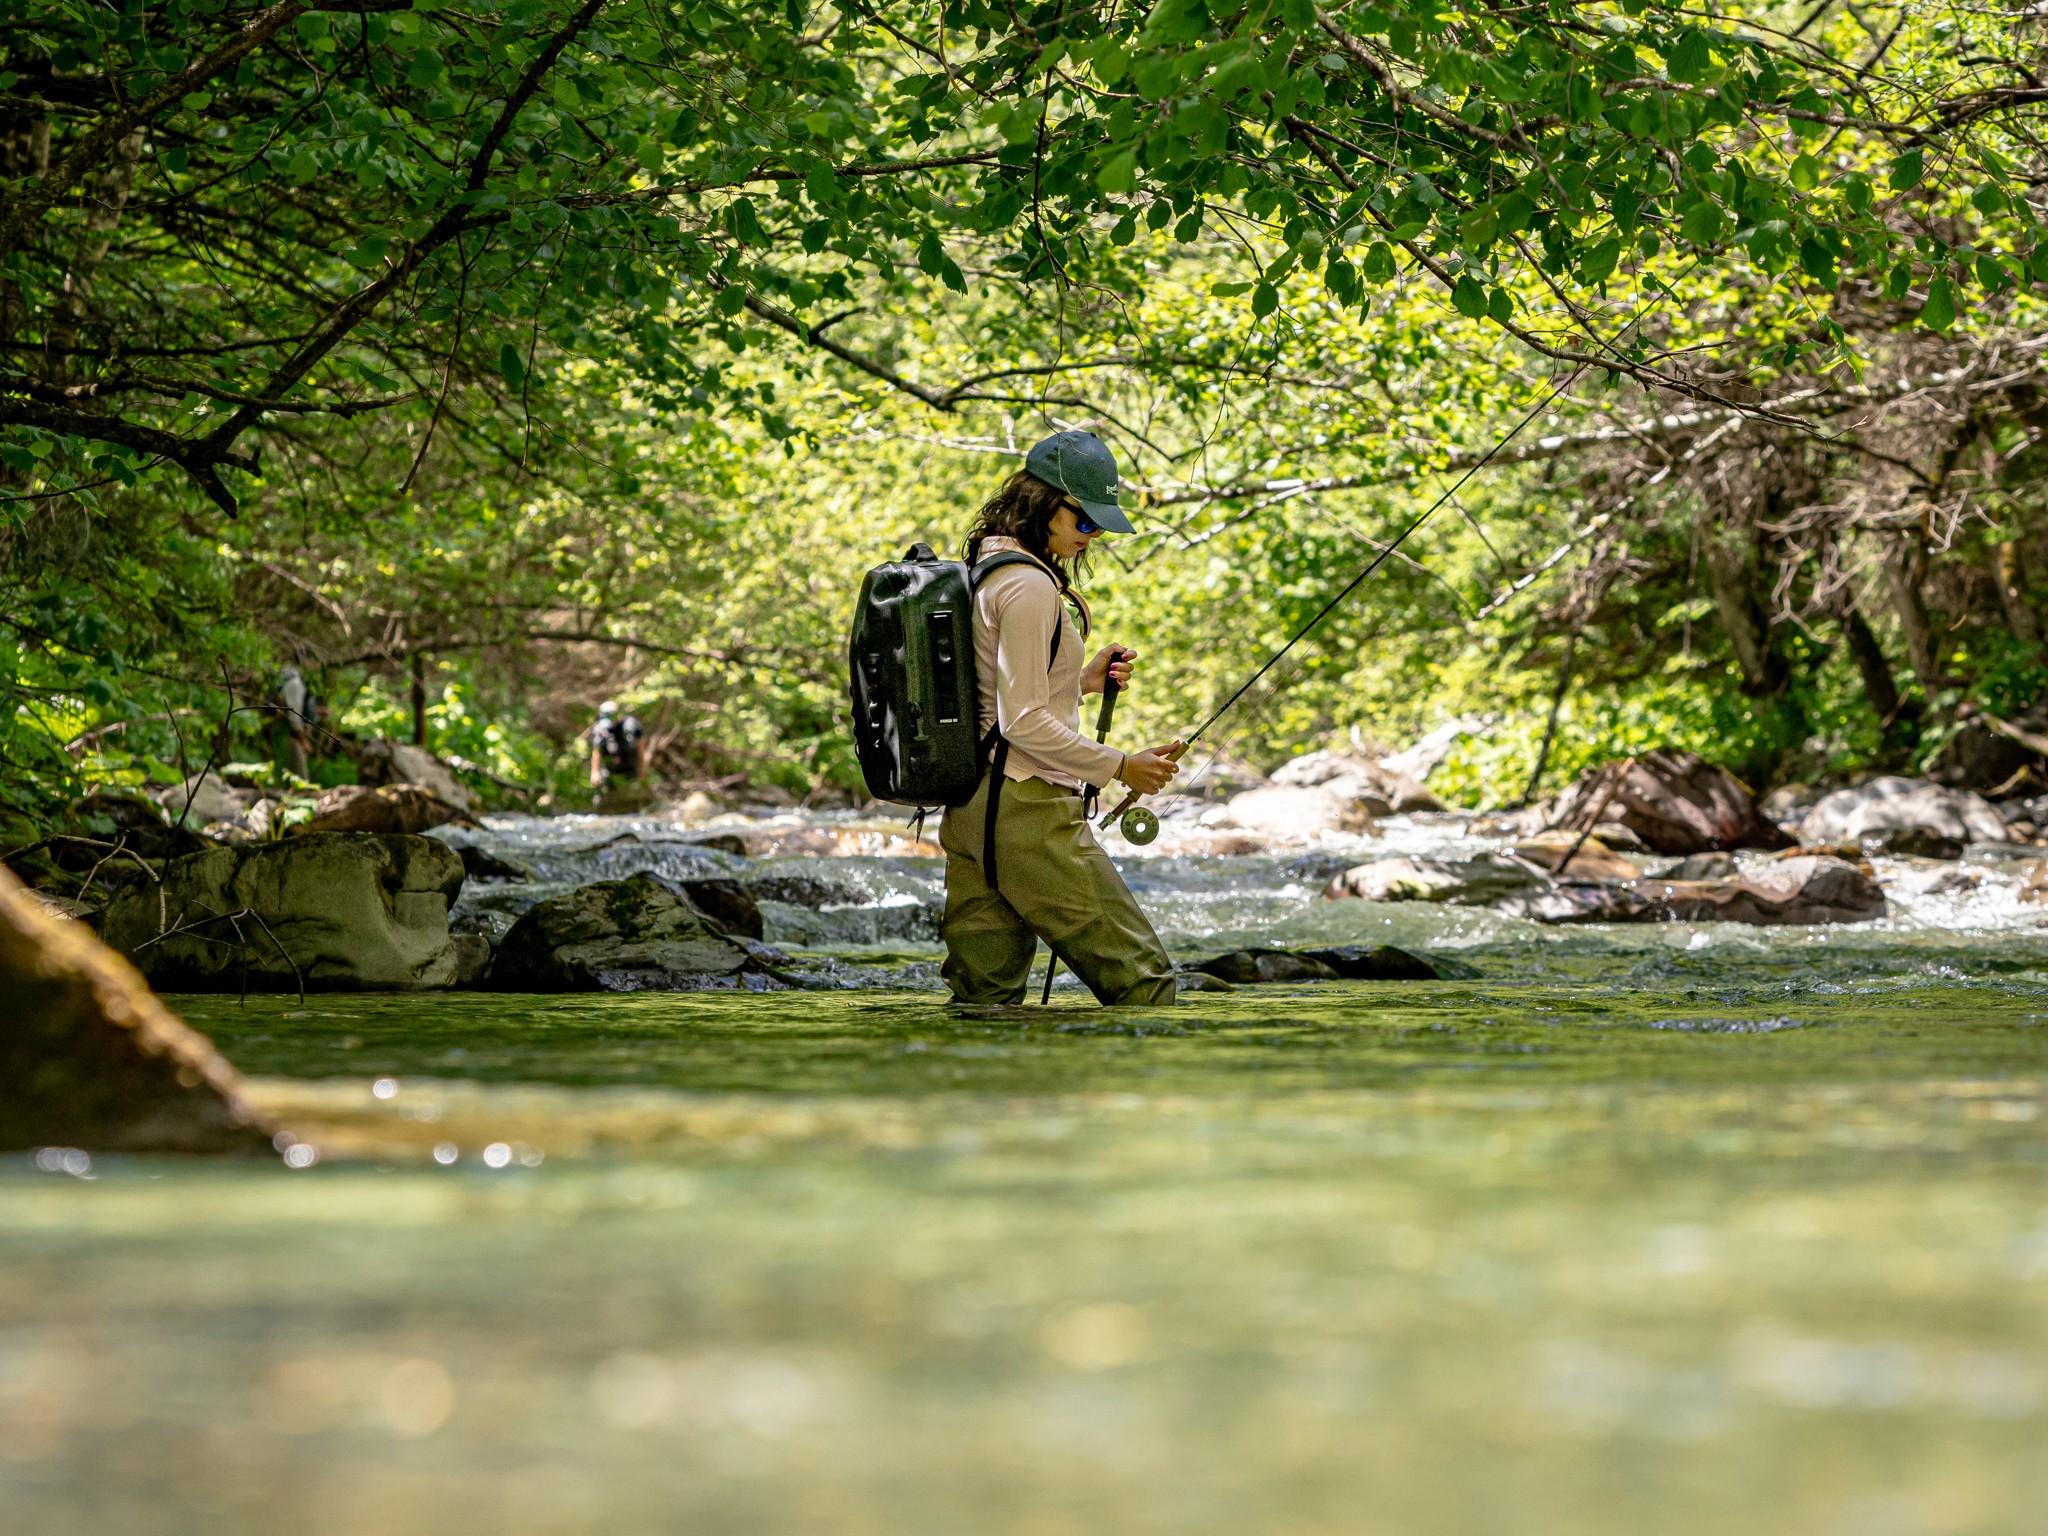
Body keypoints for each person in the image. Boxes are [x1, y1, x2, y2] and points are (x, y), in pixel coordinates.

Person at [940, 429, 1183, 1007]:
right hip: (1026, 813)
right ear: (1047, 505)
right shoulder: (1029, 587)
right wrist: (1122, 766)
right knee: (1145, 987)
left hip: (973, 809)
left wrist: (1078, 683)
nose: (1091, 537)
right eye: (1087, 523)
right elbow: (1022, 722)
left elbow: (996, 698)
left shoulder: (989, 569)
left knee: (984, 1002)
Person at [270, 664, 322, 779]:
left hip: (292, 733)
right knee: (299, 776)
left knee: (291, 773)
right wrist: (303, 741)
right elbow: (293, 714)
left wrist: (317, 711)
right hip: (292, 734)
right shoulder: (294, 683)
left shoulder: (290, 681)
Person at [589, 700, 645, 799]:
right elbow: (596, 751)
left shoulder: (631, 726)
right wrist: (594, 771)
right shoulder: (600, 729)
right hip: (611, 769)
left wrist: (641, 768)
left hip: (630, 766)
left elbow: (640, 748)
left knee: (636, 792)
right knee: (603, 790)